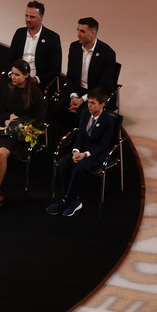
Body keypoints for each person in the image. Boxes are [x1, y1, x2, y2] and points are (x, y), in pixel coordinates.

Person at [0, 59, 46, 212]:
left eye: (17, 75)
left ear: (26, 75)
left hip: (23, 134)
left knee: (2, 153)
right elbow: (1, 113)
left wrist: (20, 123)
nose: (13, 77)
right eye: (12, 74)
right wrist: (9, 117)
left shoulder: (36, 93)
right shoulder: (7, 89)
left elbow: (39, 121)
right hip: (7, 130)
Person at [47, 89, 115, 217]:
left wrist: (85, 154)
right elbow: (80, 137)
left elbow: (103, 145)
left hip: (97, 154)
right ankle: (73, 200)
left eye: (93, 103)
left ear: (102, 104)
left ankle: (67, 200)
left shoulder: (109, 121)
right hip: (82, 151)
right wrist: (76, 151)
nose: (89, 105)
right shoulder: (85, 114)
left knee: (78, 168)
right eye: (88, 102)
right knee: (63, 164)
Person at [58, 17, 118, 126]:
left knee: (82, 115)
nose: (78, 34)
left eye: (82, 31)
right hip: (77, 91)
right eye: (78, 30)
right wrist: (73, 96)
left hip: (95, 94)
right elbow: (70, 75)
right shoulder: (74, 47)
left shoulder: (107, 53)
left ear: (93, 33)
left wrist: (82, 100)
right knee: (57, 108)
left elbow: (104, 86)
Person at [8, 0, 62, 90]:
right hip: (16, 78)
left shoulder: (52, 38)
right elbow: (10, 58)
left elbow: (56, 68)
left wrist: (37, 79)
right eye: (26, 16)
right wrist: (12, 75)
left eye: (32, 17)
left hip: (37, 81)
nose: (28, 19)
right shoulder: (20, 33)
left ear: (41, 17)